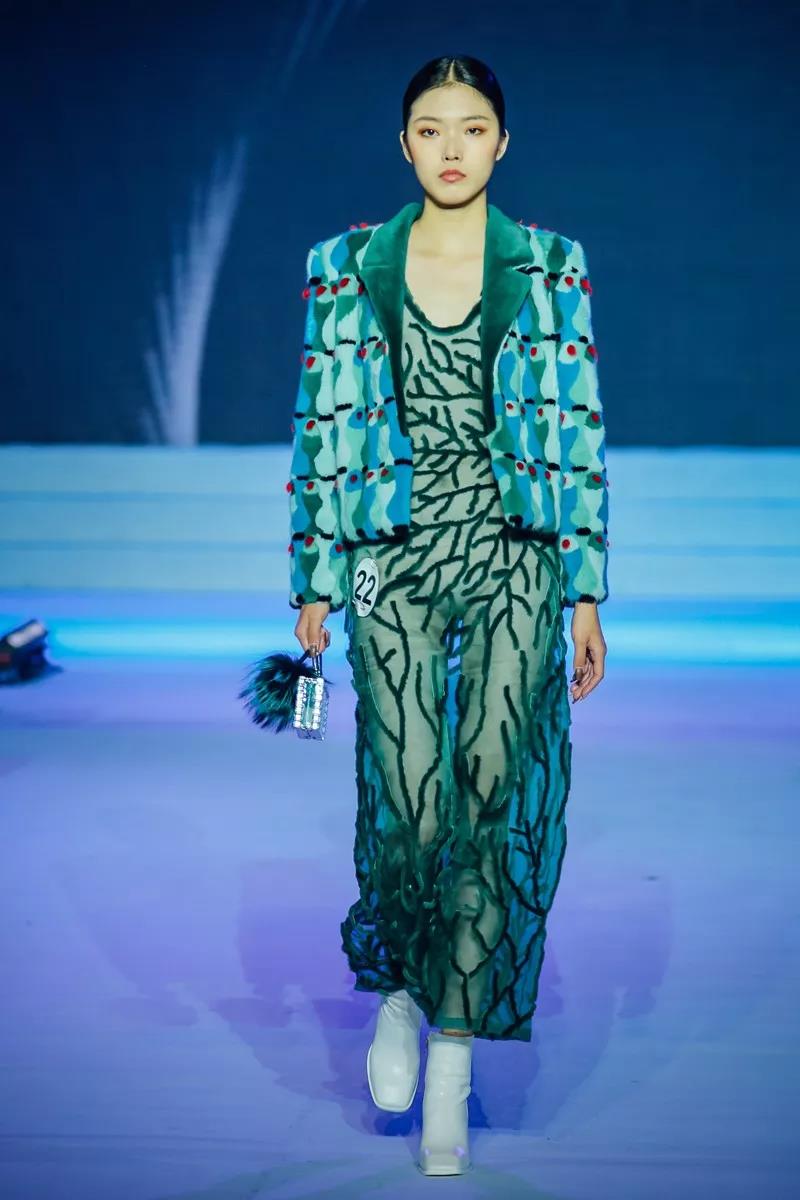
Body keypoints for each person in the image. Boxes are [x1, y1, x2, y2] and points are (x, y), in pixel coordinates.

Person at [288, 54, 609, 1175]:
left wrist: (585, 589)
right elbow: (320, 422)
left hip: (516, 554)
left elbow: (576, 425)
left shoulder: (552, 265)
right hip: (388, 559)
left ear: (502, 142)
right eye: (432, 129)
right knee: (408, 791)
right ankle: (400, 989)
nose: (453, 148)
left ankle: (456, 1057)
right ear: (405, 144)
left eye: (473, 128)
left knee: (487, 792)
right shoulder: (342, 267)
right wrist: (314, 575)